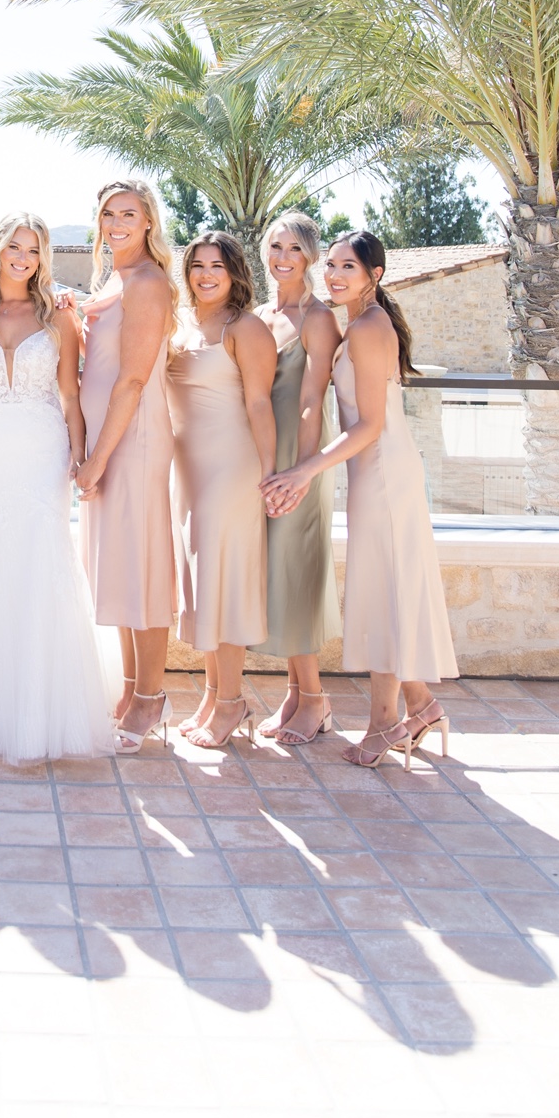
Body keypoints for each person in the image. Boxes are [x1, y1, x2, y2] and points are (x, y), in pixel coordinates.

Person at [263, 230, 458, 769]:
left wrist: (305, 470)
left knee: (385, 596)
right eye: (331, 266)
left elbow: (370, 425)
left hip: (385, 475)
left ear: (375, 275)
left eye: (348, 267)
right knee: (383, 589)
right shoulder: (362, 323)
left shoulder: (370, 329)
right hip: (373, 476)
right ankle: (421, 705)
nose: (334, 276)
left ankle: (385, 722)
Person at [0, 215, 114, 763]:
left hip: (40, 453)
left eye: (33, 249)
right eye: (14, 245)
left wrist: (82, 463)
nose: (23, 257)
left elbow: (72, 399)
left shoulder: (57, 315)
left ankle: (45, 714)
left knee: (39, 565)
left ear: (42, 257)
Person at [76, 181, 176, 753]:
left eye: (128, 214)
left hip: (131, 443)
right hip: (107, 442)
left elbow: (134, 379)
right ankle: (133, 689)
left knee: (141, 566)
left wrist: (98, 459)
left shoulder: (148, 283)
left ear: (147, 223)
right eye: (108, 213)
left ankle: (152, 698)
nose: (115, 222)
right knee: (119, 566)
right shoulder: (112, 282)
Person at [169, 232, 277, 750]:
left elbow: (260, 405)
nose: (206, 275)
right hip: (187, 471)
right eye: (197, 266)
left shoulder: (246, 328)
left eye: (217, 266)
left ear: (235, 272)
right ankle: (215, 697)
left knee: (224, 583)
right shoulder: (182, 322)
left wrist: (272, 471)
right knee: (203, 582)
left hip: (231, 469)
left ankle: (232, 701)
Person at [252, 213, 342, 745]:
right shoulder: (262, 314)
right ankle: (294, 691)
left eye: (294, 249)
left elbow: (312, 400)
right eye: (275, 246)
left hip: (299, 459)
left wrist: (301, 473)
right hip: (267, 459)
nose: (283, 257)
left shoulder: (318, 318)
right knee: (278, 573)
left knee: (297, 572)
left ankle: (315, 699)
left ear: (309, 257)